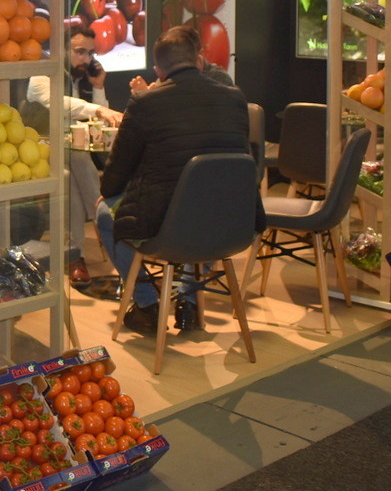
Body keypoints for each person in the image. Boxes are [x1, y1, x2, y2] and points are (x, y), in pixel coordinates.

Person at [97, 26, 259, 333]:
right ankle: (189, 302)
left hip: (168, 227)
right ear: (199, 61)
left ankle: (148, 306)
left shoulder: (145, 103)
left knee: (105, 213)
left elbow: (115, 176)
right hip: (233, 222)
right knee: (206, 203)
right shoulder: (235, 99)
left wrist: (110, 192)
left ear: (158, 70)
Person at [26, 26, 123, 285]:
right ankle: (104, 217)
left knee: (69, 176)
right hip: (35, 150)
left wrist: (98, 87)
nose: (86, 59)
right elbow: (58, 102)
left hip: (66, 153)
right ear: (61, 49)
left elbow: (98, 122)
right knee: (76, 163)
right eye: (80, 52)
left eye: (90, 53)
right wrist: (97, 109)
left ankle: (76, 253)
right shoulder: (41, 73)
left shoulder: (80, 79)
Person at [129, 24, 233, 94]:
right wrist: (146, 95)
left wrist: (148, 99)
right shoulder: (169, 74)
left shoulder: (218, 78)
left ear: (200, 55)